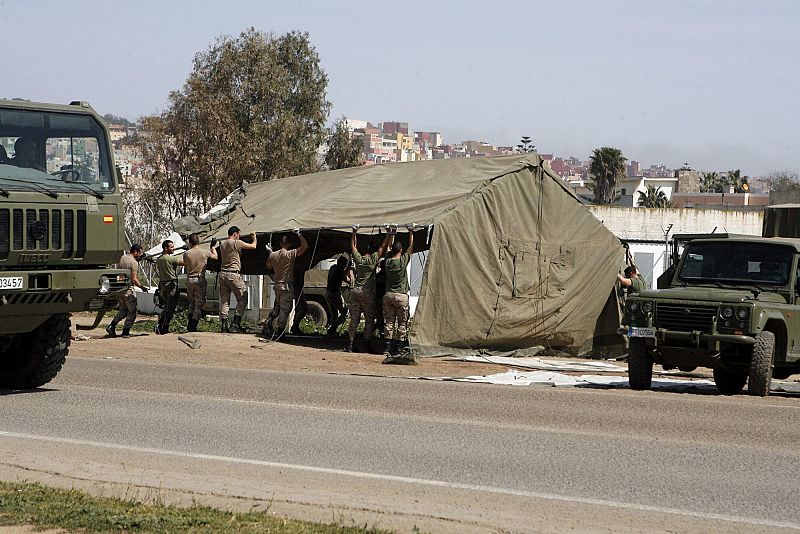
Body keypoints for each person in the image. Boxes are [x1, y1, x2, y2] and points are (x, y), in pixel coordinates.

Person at [347, 225, 391, 352]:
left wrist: (354, 232)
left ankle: (350, 343)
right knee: (369, 318)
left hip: (356, 291)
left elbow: (353, 246)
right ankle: (367, 343)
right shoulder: (373, 259)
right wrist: (388, 233)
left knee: (354, 318)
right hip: (367, 292)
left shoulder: (359, 259)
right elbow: (383, 247)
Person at [382, 225, 416, 362]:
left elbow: (389, 249)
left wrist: (392, 233)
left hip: (389, 295)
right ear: (401, 250)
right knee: (402, 322)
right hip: (401, 295)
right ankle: (400, 346)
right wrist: (411, 232)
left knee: (389, 321)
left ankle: (387, 346)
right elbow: (411, 248)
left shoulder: (388, 262)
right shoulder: (403, 261)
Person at [266, 228, 308, 339]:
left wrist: (270, 253)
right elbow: (304, 247)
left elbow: (268, 266)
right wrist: (299, 234)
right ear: (289, 244)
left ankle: (270, 320)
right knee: (285, 309)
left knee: (278, 306)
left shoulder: (273, 255)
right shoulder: (290, 254)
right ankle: (280, 332)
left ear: (280, 243)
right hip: (286, 285)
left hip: (277, 285)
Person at [218, 226, 258, 332]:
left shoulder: (222, 244)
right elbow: (253, 247)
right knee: (243, 298)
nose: (239, 236)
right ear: (235, 234)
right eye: (239, 234)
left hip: (223, 274)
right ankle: (235, 322)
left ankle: (224, 325)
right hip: (233, 274)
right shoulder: (237, 242)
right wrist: (254, 237)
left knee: (225, 301)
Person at [106, 244, 148, 338]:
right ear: (136, 252)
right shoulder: (134, 262)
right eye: (139, 253)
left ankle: (112, 325)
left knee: (123, 310)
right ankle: (126, 331)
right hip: (128, 289)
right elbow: (134, 279)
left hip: (120, 288)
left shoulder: (122, 258)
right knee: (132, 311)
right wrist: (142, 287)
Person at [183, 233, 218, 332]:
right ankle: (193, 325)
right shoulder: (204, 252)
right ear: (199, 242)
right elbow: (215, 257)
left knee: (192, 302)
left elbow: (185, 264)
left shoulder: (186, 254)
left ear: (190, 242)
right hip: (199, 279)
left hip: (189, 280)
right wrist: (213, 246)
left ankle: (189, 321)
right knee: (199, 304)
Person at [155, 239, 184, 335]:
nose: (173, 248)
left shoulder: (159, 259)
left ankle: (160, 324)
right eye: (171, 247)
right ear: (165, 248)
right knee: (170, 306)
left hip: (163, 284)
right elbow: (183, 263)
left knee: (166, 305)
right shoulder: (170, 259)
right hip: (171, 284)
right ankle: (165, 326)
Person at [325, 255, 352, 336]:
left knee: (334, 313)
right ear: (342, 263)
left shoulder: (333, 267)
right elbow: (349, 280)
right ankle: (333, 327)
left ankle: (332, 330)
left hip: (328, 292)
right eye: (345, 264)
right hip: (335, 293)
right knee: (345, 312)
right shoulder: (339, 271)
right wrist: (350, 269)